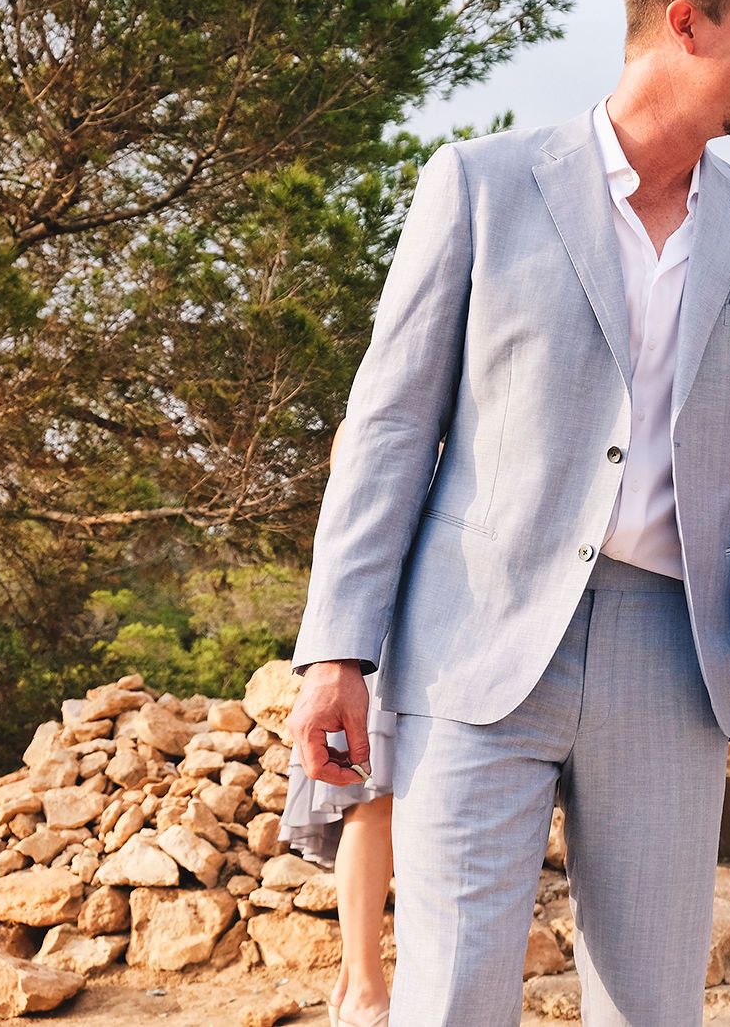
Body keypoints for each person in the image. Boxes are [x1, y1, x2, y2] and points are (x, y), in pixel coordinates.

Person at [286, 0, 730, 1026]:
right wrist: (336, 648)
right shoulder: (480, 185)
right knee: (452, 997)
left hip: (669, 655)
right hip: (472, 644)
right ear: (686, 23)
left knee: (652, 1006)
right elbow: (389, 426)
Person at [279, 421, 395, 1027]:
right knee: (372, 804)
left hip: (445, 636)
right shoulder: (373, 420)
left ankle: (355, 979)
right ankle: (366, 988)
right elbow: (353, 526)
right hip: (379, 636)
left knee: (398, 809)